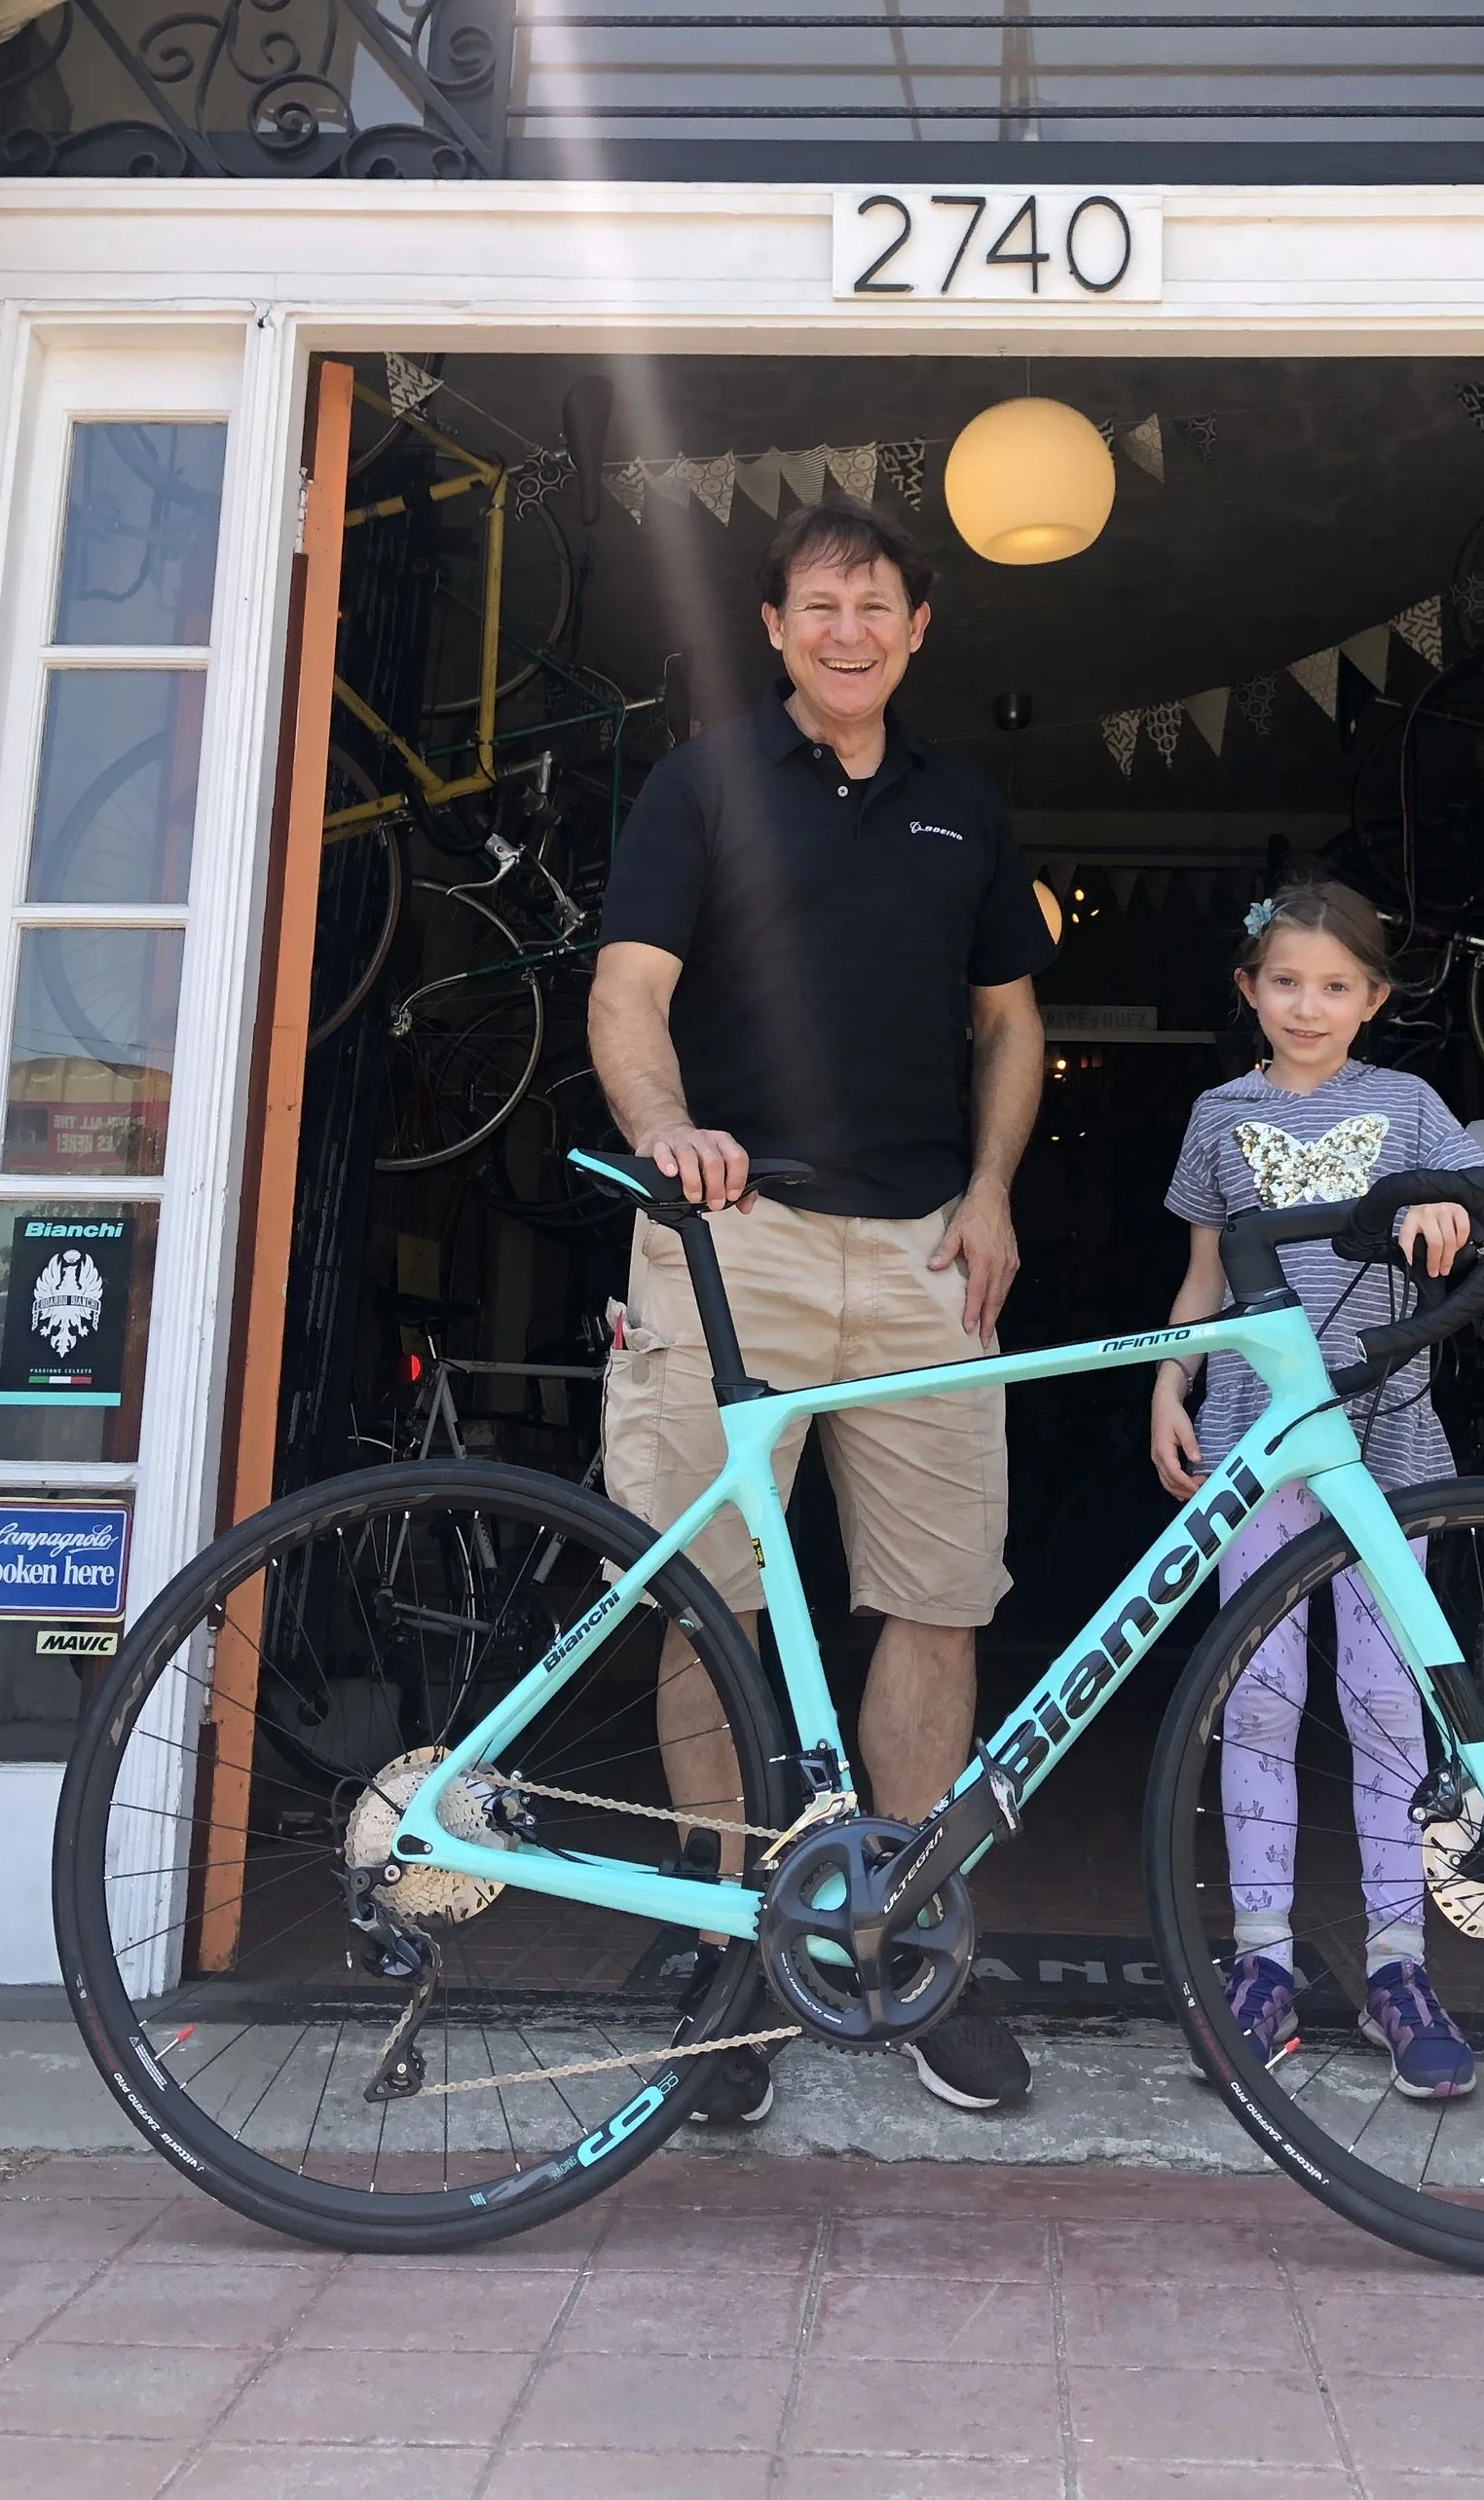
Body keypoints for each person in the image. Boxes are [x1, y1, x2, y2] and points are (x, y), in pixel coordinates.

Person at [587, 496, 1056, 2121]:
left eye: (875, 601)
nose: (847, 626)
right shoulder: (703, 782)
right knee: (705, 1606)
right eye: (816, 603)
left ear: (917, 626)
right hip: (739, 1238)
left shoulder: (963, 805)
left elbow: (1011, 1020)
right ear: (775, 627)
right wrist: (665, 1130)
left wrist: (994, 1190)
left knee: (936, 1600)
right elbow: (628, 992)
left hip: (927, 1246)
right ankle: (736, 1954)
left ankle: (899, 1939)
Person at [1150, 880, 1484, 2102]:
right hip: (1253, 1435)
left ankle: (1400, 1963)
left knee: (1387, 1700)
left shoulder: (1407, 1107)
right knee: (1259, 1697)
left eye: (1335, 986)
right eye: (1284, 981)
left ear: (1373, 1001)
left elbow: (1470, 1200)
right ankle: (1261, 1962)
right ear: (1247, 990)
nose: (1308, 1005)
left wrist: (1451, 1204)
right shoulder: (1217, 1113)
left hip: (1386, 1440)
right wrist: (1168, 1385)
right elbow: (1200, 1272)